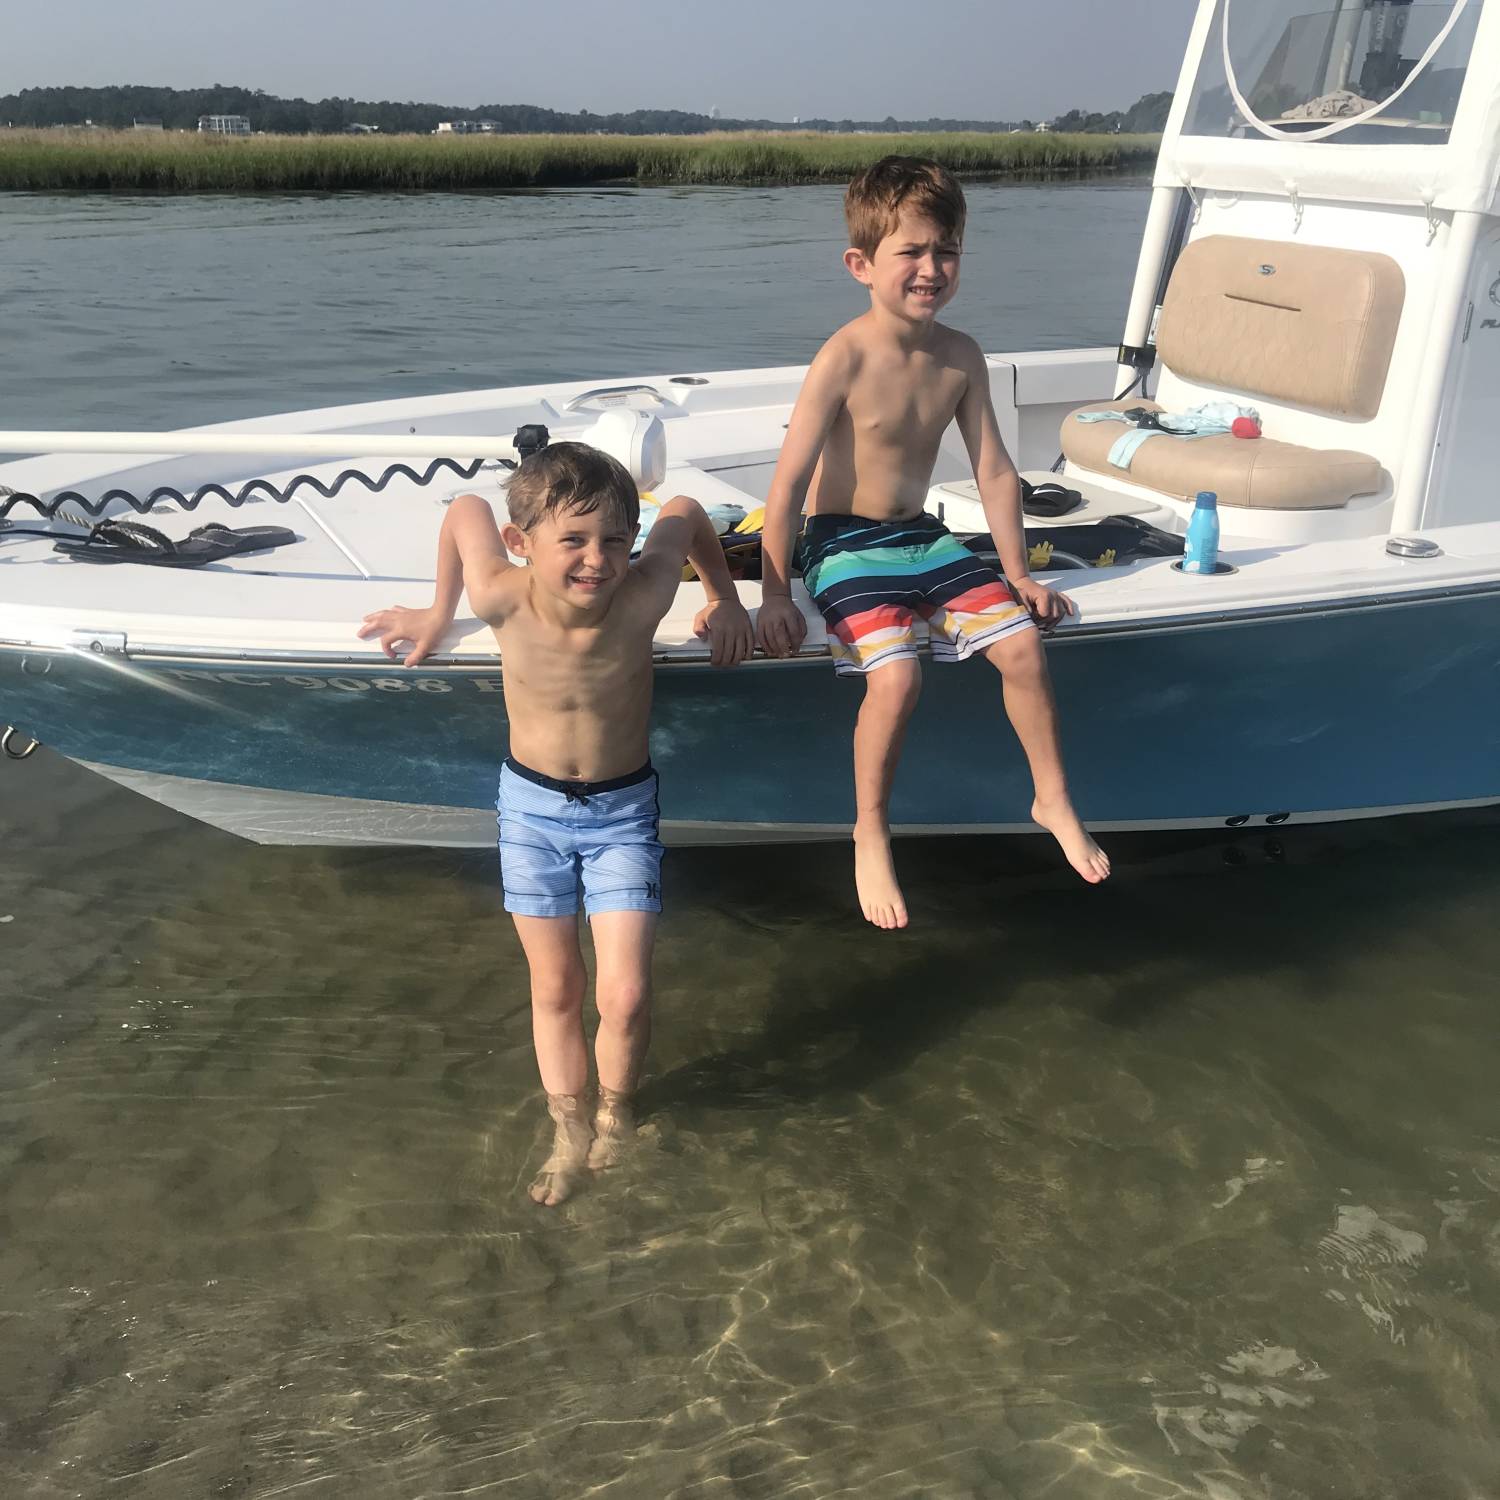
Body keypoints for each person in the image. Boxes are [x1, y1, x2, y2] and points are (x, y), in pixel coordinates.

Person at [358, 443, 753, 1205]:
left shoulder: (644, 595)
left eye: (612, 540)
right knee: (556, 986)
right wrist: (438, 612)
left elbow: (686, 514)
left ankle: (616, 1115)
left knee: (628, 994)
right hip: (531, 812)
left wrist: (725, 598)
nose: (596, 561)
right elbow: (465, 508)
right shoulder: (499, 594)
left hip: (623, 813)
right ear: (523, 543)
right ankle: (567, 1129)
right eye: (571, 540)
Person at [755, 156, 1110, 929]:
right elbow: (786, 488)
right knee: (898, 678)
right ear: (861, 265)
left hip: (920, 536)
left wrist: (1016, 573)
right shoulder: (843, 357)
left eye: (945, 251)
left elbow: (992, 468)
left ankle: (1050, 797)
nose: (930, 268)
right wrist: (774, 593)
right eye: (910, 253)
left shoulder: (961, 356)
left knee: (1021, 646)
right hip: (841, 541)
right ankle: (871, 829)